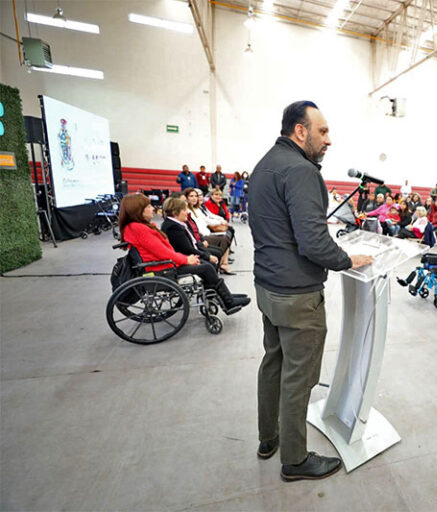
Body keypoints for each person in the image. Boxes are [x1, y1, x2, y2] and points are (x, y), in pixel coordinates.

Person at [248, 101, 373, 481]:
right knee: (298, 376)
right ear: (300, 131)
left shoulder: (265, 164)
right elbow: (314, 243)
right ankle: (295, 459)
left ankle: (268, 439)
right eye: (322, 131)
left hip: (268, 287)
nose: (328, 140)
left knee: (274, 363)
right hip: (297, 294)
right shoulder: (301, 171)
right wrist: (347, 259)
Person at [118, 194, 249, 313]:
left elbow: (165, 251)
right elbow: (163, 252)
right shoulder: (139, 229)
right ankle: (228, 301)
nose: (153, 208)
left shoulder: (136, 227)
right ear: (138, 210)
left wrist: (186, 259)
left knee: (205, 264)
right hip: (161, 269)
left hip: (161, 265)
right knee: (207, 267)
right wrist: (186, 260)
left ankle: (222, 296)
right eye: (148, 206)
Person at [183, 188, 234, 274]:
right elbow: (198, 226)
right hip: (202, 235)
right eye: (192, 196)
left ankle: (222, 262)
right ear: (186, 198)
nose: (195, 198)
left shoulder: (197, 209)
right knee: (225, 238)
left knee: (228, 233)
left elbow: (208, 218)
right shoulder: (188, 211)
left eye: (196, 196)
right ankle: (222, 263)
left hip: (206, 233)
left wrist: (222, 221)